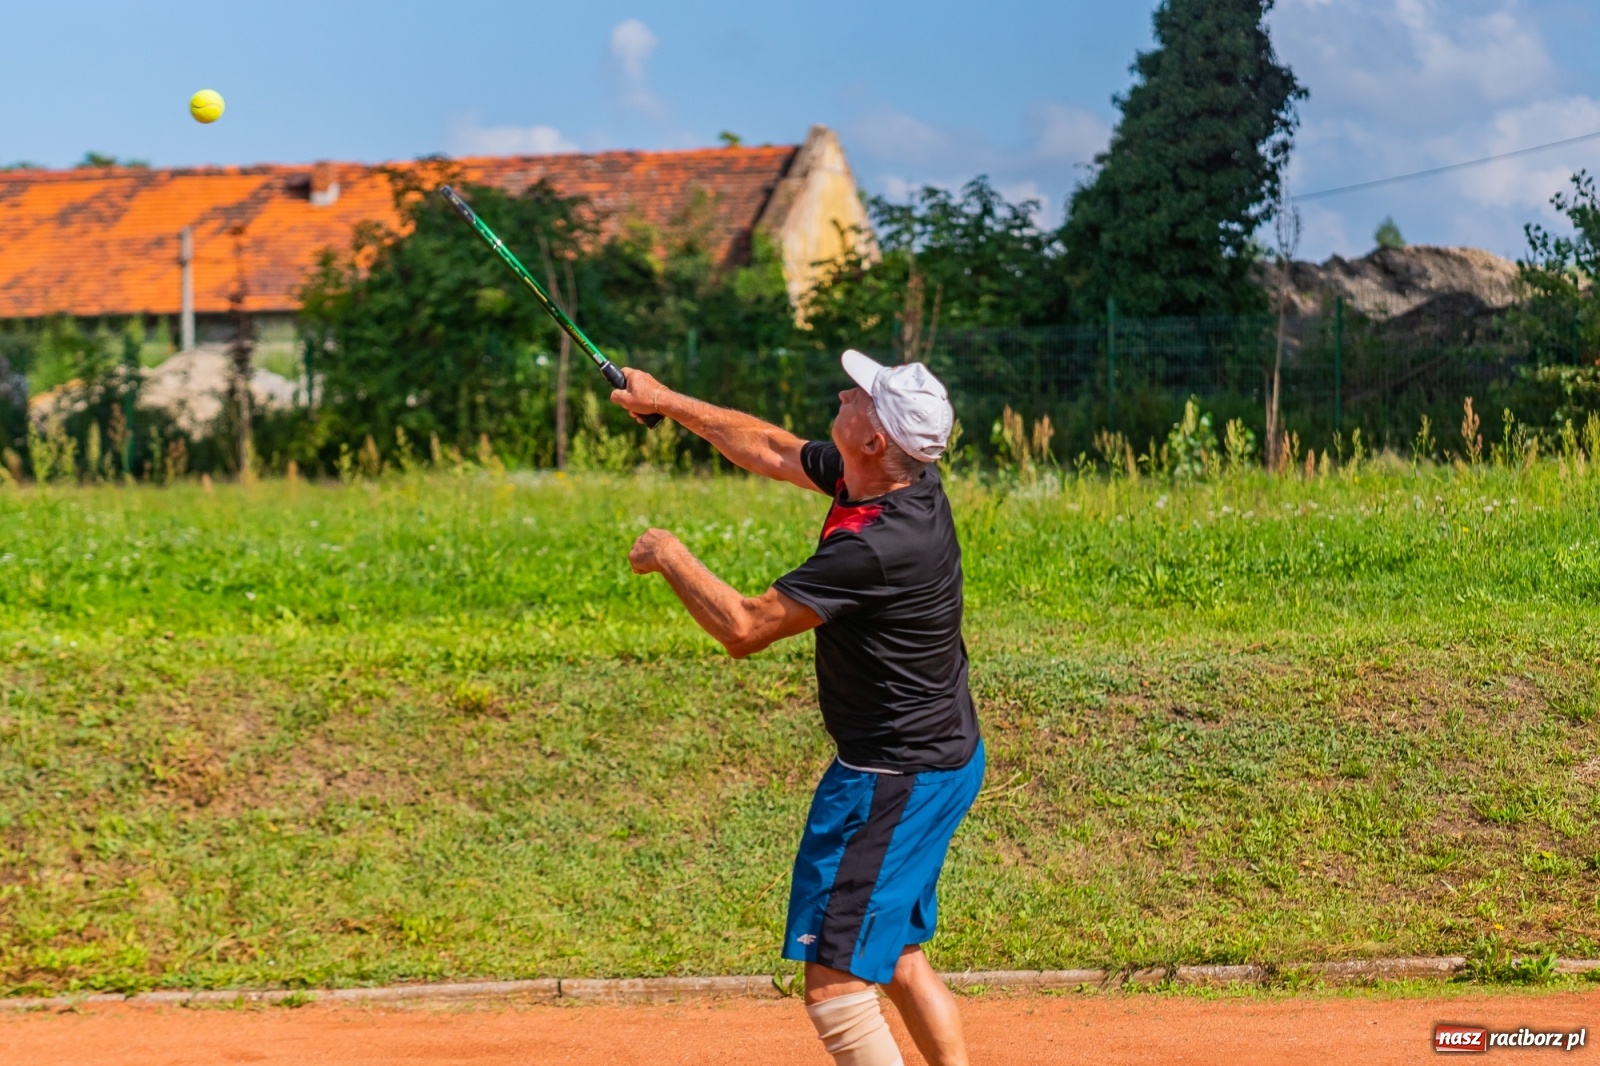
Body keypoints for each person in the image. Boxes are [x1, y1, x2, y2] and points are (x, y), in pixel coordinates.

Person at [611, 350, 984, 1066]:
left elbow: (745, 627)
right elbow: (774, 449)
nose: (846, 390)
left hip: (891, 781)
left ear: (876, 441)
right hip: (943, 759)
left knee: (835, 984)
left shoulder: (877, 546)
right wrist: (665, 399)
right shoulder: (894, 484)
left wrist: (669, 554)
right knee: (898, 953)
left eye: (862, 395)